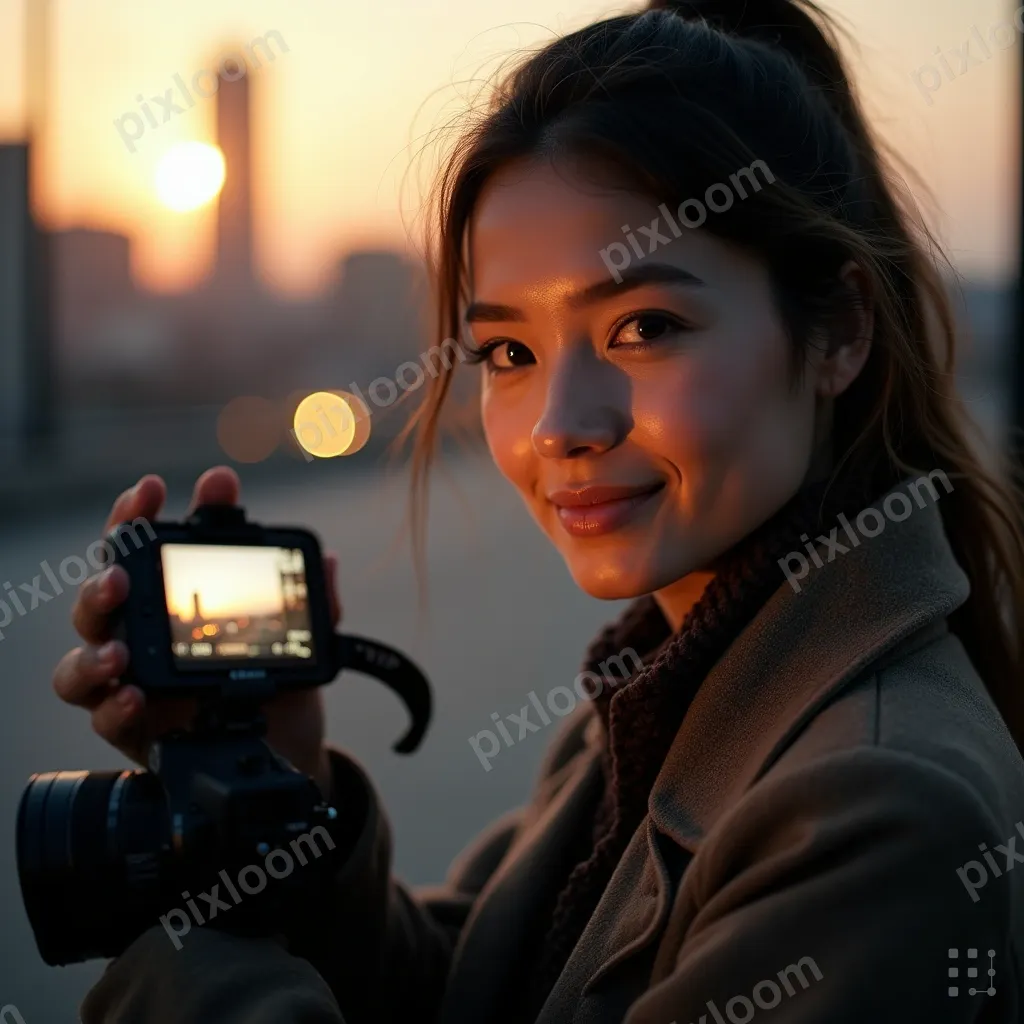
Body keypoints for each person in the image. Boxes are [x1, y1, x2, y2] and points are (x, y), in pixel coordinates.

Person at [56, 1, 1024, 1020]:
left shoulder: (878, 806)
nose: (560, 425)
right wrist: (281, 789)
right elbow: (475, 993)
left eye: (645, 326)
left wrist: (189, 984)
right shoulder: (662, 690)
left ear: (838, 333)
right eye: (508, 353)